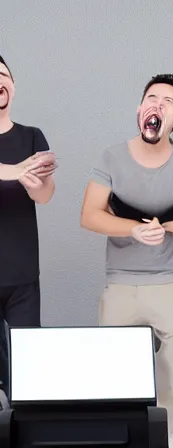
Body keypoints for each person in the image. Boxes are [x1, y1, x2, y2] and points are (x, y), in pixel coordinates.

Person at [80, 73, 173, 448]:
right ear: (140, 110)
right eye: (151, 98)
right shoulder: (111, 157)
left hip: (170, 283)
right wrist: (135, 231)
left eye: (168, 102)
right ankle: (120, 434)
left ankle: (169, 431)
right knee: (114, 368)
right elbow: (89, 215)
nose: (157, 104)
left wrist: (170, 227)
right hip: (120, 283)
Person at [0, 55, 57, 398]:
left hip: (23, 275)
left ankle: (23, 444)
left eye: (4, 74)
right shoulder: (20, 163)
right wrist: (18, 170)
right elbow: (18, 172)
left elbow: (46, 195)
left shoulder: (32, 136)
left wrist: (35, 179)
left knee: (26, 364)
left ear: (13, 87)